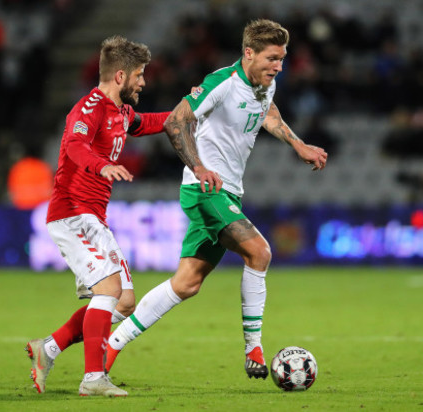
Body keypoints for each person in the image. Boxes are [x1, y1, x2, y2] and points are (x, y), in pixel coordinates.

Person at [105, 19, 328, 382]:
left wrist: (297, 144)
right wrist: (199, 167)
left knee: (186, 284)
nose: (279, 66)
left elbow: (268, 113)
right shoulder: (221, 83)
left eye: (283, 59)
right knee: (260, 252)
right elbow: (176, 121)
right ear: (249, 53)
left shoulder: (264, 84)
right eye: (273, 58)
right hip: (204, 189)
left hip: (227, 190)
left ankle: (111, 346)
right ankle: (253, 348)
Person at [25, 35, 170, 397]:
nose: (143, 82)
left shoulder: (121, 111)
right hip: (72, 212)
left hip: (93, 216)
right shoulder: (88, 108)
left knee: (123, 302)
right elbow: (75, 146)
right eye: (139, 75)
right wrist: (101, 165)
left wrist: (193, 108)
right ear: (120, 76)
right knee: (108, 289)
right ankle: (93, 379)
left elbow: (149, 122)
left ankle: (50, 347)